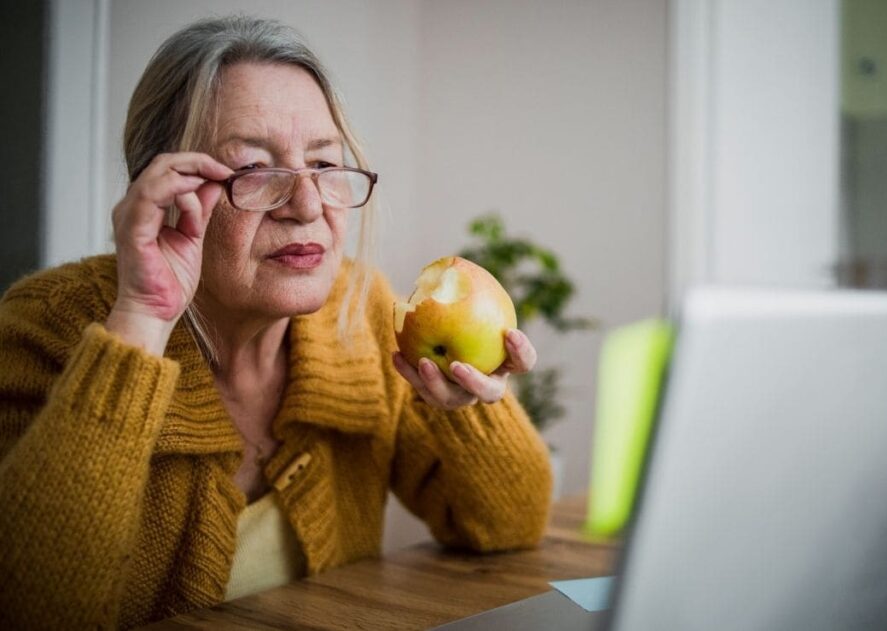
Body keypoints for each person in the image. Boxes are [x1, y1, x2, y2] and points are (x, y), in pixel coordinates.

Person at [0, 15, 551, 629]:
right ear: (166, 191)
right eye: (257, 172)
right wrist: (141, 320)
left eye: (324, 165)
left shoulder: (363, 312)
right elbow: (31, 606)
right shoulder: (43, 328)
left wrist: (472, 409)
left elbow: (509, 525)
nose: (309, 206)